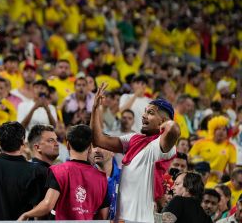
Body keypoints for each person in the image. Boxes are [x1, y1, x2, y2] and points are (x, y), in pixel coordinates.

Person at [91, 83, 180, 222]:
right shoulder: (133, 138)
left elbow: (174, 129)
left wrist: (165, 124)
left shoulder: (161, 147)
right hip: (121, 218)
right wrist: (95, 108)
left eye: (150, 113)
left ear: (162, 121)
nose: (143, 116)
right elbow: (98, 140)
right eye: (145, 111)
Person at [19, 124, 109, 220]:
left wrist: (26, 215)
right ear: (90, 147)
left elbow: (48, 205)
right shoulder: (102, 178)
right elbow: (103, 216)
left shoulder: (57, 171)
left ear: (68, 145)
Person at [190, 116, 236, 185]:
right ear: (213, 130)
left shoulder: (231, 147)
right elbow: (189, 159)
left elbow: (232, 171)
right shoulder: (200, 143)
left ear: (227, 132)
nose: (221, 132)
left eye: (224, 129)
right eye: (218, 129)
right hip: (198, 180)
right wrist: (212, 171)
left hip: (218, 183)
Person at [89, 145, 121, 220]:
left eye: (101, 146)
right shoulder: (85, 178)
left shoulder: (125, 178)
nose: (96, 150)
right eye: (94, 147)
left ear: (113, 152)